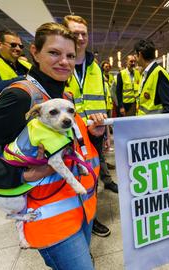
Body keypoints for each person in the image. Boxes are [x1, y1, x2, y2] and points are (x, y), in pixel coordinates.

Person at [0, 22, 105, 270]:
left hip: (81, 207)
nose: (64, 62)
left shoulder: (64, 97)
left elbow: (67, 146)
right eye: (54, 53)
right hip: (48, 219)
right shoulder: (20, 97)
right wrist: (24, 174)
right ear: (34, 52)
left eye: (70, 55)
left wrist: (92, 135)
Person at [63, 15, 115, 239]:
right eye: (75, 33)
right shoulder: (60, 64)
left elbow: (102, 100)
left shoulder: (94, 67)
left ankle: (90, 217)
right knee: (70, 178)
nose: (81, 37)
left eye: (84, 33)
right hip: (67, 133)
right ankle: (76, 219)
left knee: (90, 177)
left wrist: (106, 132)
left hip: (94, 133)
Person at [134, 39, 169, 115]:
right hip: (145, 123)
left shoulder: (159, 73)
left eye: (135, 55)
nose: (135, 58)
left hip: (153, 125)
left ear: (140, 55)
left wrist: (158, 125)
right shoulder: (145, 73)